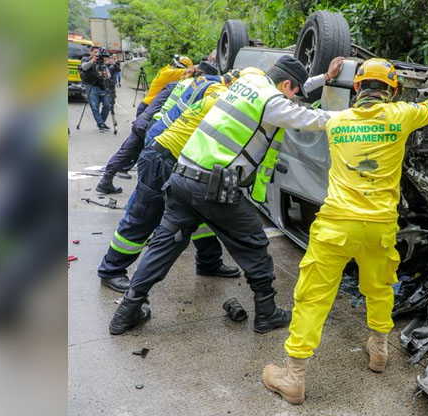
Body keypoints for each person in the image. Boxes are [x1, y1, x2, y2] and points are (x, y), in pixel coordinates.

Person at [262, 58, 428, 405]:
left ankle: (294, 376)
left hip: (336, 225)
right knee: (380, 288)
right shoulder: (402, 115)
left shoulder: (338, 121)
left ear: (357, 88)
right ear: (392, 89)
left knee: (313, 296)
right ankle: (379, 350)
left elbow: (300, 117)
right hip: (380, 226)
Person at [108, 55, 341, 336]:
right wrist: (360, 116)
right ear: (286, 84)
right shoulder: (273, 102)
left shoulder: (248, 82)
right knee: (254, 243)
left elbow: (288, 95)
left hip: (182, 176)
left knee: (163, 246)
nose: (294, 99)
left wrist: (324, 78)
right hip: (213, 187)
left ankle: (126, 312)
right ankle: (266, 313)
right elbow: (313, 118)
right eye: (294, 92)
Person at [97, 70, 242, 293]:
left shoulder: (205, 84)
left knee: (201, 215)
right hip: (163, 156)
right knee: (144, 215)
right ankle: (111, 270)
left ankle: (209, 262)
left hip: (172, 152)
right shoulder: (219, 94)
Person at [95, 62, 222, 195]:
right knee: (150, 166)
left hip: (144, 117)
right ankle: (141, 195)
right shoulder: (192, 88)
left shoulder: (174, 81)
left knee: (126, 151)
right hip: (155, 125)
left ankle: (106, 180)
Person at [79, 46, 113, 132]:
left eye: (98, 52)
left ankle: (101, 121)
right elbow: (84, 67)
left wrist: (105, 73)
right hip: (90, 86)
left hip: (102, 85)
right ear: (91, 52)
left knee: (107, 105)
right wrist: (93, 60)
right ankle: (100, 124)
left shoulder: (101, 62)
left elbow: (108, 75)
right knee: (94, 107)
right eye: (95, 52)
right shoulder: (86, 59)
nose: (97, 54)